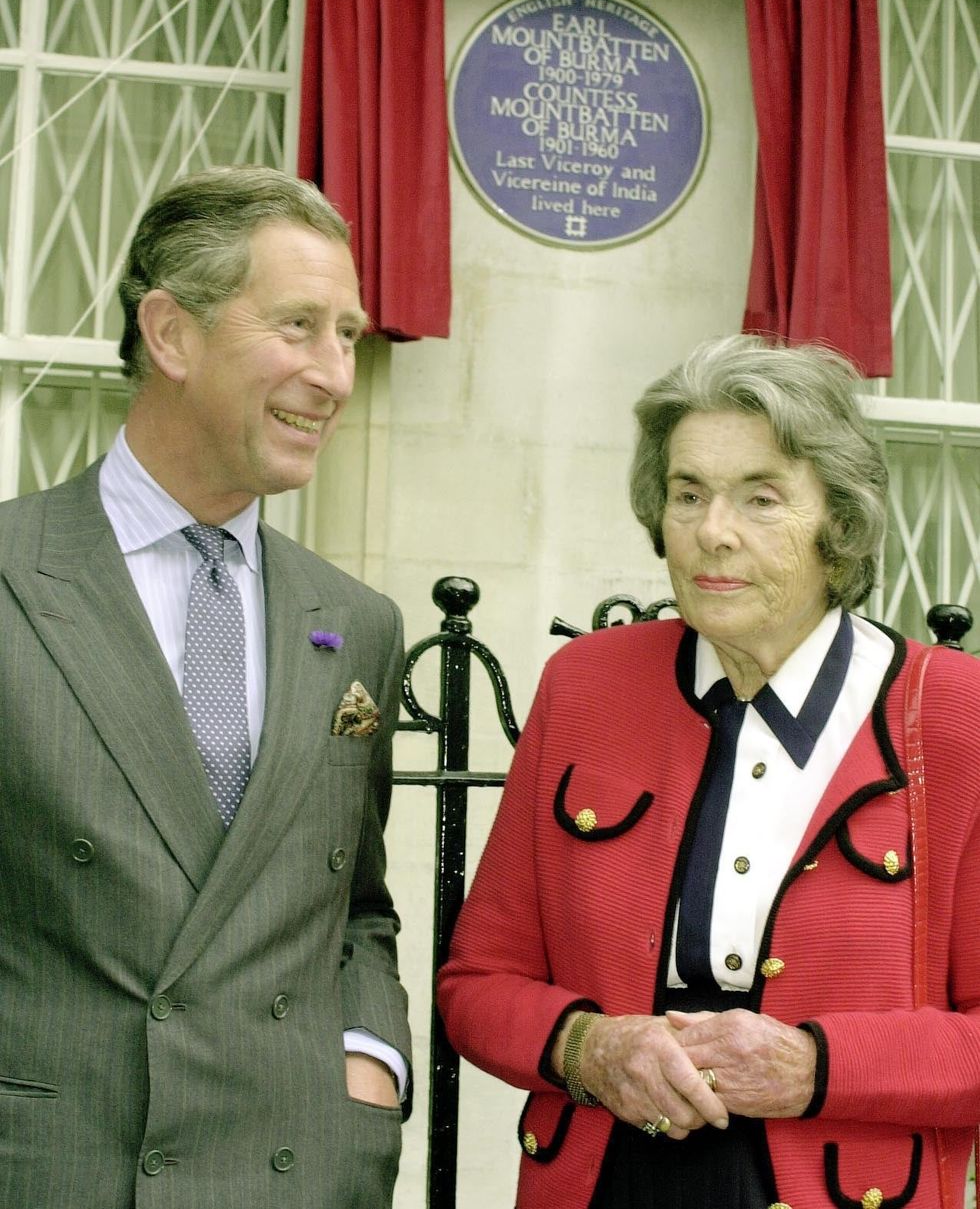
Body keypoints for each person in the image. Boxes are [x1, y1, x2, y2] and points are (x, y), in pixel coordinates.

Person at [438, 334, 980, 1209]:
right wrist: (592, 1049)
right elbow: (476, 985)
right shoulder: (586, 686)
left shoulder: (955, 715)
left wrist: (812, 1067)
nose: (712, 531)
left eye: (760, 497)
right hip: (608, 1177)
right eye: (688, 493)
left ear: (839, 520)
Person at [0, 166, 411, 1209]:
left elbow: (355, 905)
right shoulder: (12, 571)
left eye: (346, 334)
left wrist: (369, 1069)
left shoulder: (355, 621)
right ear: (171, 334)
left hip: (291, 1171)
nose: (333, 373)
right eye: (297, 326)